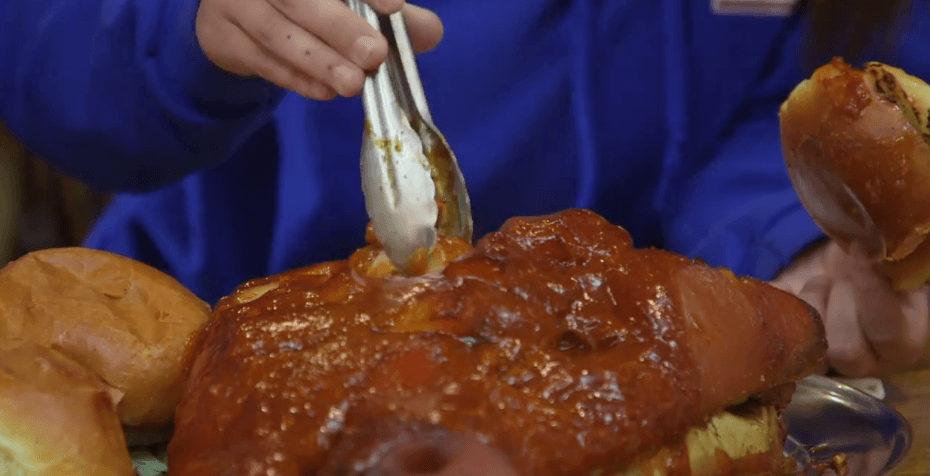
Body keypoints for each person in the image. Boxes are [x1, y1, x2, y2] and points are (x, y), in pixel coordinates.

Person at [0, 0, 926, 377]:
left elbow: (840, 76)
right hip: (209, 332)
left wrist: (792, 241)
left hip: (641, 362)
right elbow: (48, 47)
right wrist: (184, 23)